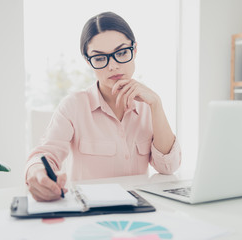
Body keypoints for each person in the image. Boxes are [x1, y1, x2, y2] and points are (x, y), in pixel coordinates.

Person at [25, 11, 181, 202]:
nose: (113, 66)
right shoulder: (73, 106)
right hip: (90, 211)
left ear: (135, 50)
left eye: (122, 53)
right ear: (87, 60)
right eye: (100, 58)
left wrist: (156, 104)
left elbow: (168, 167)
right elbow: (44, 154)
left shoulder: (148, 106)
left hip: (139, 210)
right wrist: (38, 172)